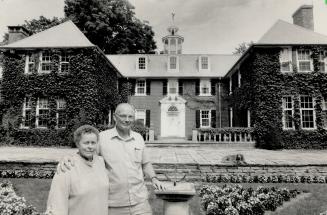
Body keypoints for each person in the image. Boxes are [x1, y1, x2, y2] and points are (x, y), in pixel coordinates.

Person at [59, 103, 165, 215]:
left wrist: (154, 178)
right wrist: (68, 158)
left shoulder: (138, 138)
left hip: (140, 203)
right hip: (113, 205)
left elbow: (145, 163)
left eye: (130, 117)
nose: (127, 120)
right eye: (123, 116)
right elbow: (86, 154)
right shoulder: (102, 138)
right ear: (115, 117)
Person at [46, 125, 109, 215]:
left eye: (93, 143)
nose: (90, 146)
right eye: (86, 143)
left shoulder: (101, 162)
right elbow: (56, 204)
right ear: (77, 143)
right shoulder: (67, 167)